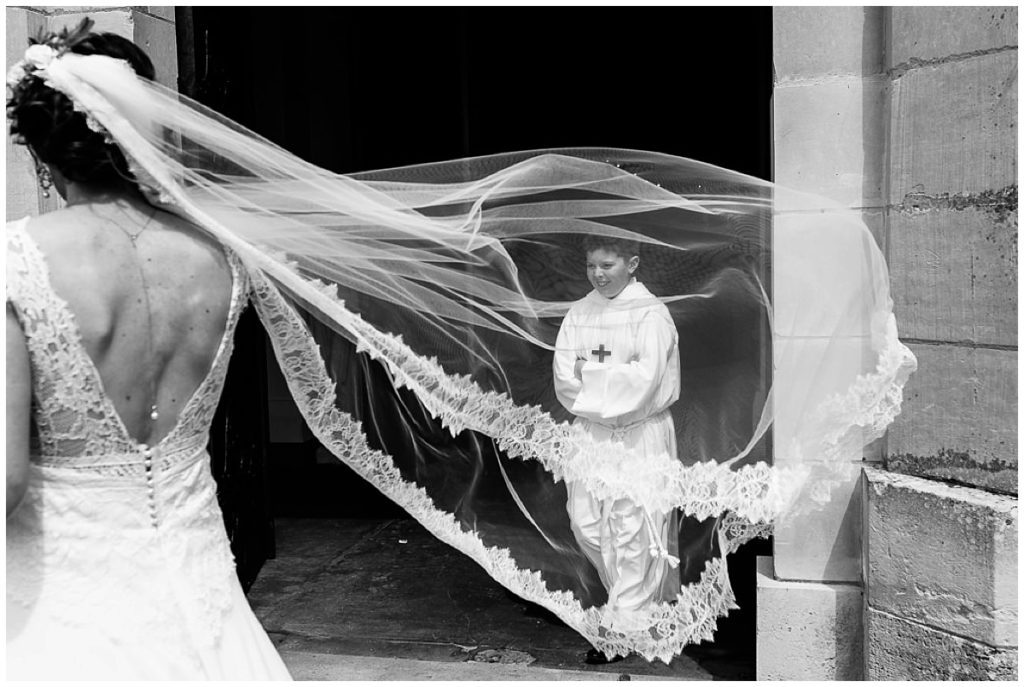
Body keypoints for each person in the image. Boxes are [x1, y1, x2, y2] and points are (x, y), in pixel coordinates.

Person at [5, 23, 291, 679]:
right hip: (206, 604)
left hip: (59, 609)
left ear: (41, 151)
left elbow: (6, 480)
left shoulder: (17, 261)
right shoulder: (220, 260)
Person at [553, 237, 682, 664]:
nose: (598, 274)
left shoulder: (651, 315)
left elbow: (645, 382)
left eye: (607, 265)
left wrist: (588, 371)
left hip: (639, 434)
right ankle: (630, 605)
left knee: (633, 530)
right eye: (591, 265)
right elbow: (562, 376)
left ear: (633, 263)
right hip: (592, 434)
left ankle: (622, 628)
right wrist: (612, 377)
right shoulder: (580, 312)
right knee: (585, 523)